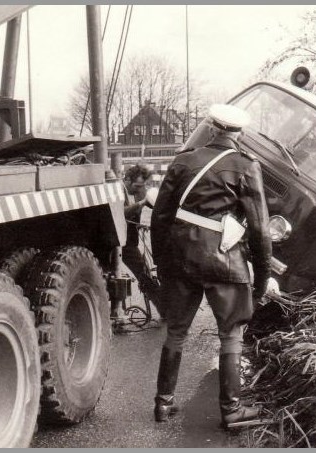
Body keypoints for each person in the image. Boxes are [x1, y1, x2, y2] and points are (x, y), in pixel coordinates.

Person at [150, 104, 272, 428]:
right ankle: (231, 411)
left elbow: (160, 216)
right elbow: (260, 230)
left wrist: (162, 262)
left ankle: (163, 404)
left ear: (212, 128)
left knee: (176, 331)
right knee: (231, 333)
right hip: (224, 261)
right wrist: (261, 279)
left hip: (180, 258)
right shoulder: (246, 166)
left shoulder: (183, 160)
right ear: (239, 134)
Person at [114, 164, 164, 319]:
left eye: (142, 186)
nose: (139, 189)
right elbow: (119, 214)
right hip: (112, 243)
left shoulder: (139, 191)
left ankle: (165, 310)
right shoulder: (116, 190)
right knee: (111, 278)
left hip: (129, 242)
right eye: (136, 186)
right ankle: (114, 312)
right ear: (127, 179)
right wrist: (141, 203)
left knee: (145, 274)